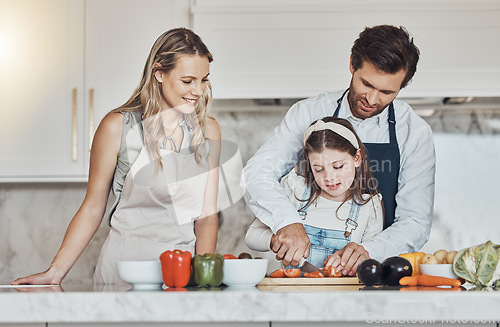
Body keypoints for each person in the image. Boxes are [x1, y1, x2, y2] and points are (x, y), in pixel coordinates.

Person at [12, 28, 221, 285]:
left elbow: (207, 215)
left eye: (204, 80)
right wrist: (54, 273)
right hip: (123, 272)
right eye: (188, 81)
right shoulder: (117, 127)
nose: (198, 91)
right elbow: (92, 207)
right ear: (159, 73)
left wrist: (205, 276)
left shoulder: (208, 130)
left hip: (182, 273)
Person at [242, 24, 435, 276]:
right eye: (367, 84)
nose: (373, 99)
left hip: (378, 275)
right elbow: (257, 172)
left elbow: (416, 221)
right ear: (353, 64)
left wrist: (369, 249)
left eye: (387, 92)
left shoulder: (414, 133)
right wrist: (286, 221)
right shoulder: (308, 113)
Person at [245, 117, 384, 271]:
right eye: (318, 169)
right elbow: (252, 236)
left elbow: (372, 262)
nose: (329, 177)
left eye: (338, 166)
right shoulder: (296, 190)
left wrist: (354, 261)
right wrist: (276, 241)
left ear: (357, 158)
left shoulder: (370, 206)